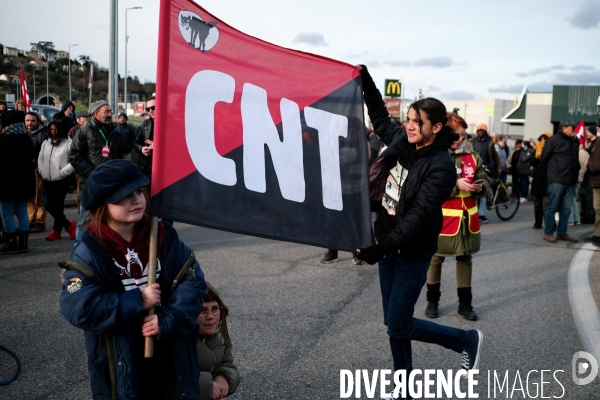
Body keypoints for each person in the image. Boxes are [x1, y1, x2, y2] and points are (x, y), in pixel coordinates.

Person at [354, 65, 483, 387]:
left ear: (436, 127)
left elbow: (418, 216)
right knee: (392, 322)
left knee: (398, 324)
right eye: (409, 119)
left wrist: (381, 248)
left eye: (417, 122)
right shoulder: (403, 141)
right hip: (388, 244)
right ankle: (403, 388)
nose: (409, 126)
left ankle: (465, 340)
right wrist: (365, 79)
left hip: (411, 251)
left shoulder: (440, 167)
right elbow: (381, 116)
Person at [59, 159, 208, 399]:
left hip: (170, 356)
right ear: (102, 204)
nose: (136, 199)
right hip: (120, 362)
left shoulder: (162, 235)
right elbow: (79, 307)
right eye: (123, 196)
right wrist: (137, 301)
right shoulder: (90, 250)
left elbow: (193, 282)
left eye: (139, 191)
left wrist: (168, 319)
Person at [425, 113, 490, 322]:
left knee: (465, 258)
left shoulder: (472, 156)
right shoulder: (434, 155)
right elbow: (428, 186)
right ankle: (432, 302)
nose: (460, 139)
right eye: (456, 135)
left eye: (463, 135)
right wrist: (456, 186)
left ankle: (465, 304)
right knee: (435, 259)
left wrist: (480, 187)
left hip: (466, 220)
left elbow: (485, 178)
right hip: (441, 220)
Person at [69, 100, 123, 244]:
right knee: (85, 220)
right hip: (91, 183)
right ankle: (79, 250)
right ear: (96, 113)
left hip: (112, 184)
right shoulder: (84, 130)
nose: (110, 114)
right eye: (106, 111)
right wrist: (93, 172)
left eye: (110, 111)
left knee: (110, 220)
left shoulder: (115, 131)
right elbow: (74, 156)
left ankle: (105, 250)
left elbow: (119, 155)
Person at [185, 282, 241, 400]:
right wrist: (206, 386)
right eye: (202, 310)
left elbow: (228, 364)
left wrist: (224, 377)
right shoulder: (176, 341)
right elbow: (169, 382)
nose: (210, 316)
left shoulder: (219, 335)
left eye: (214, 308)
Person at [0, 110, 35, 254]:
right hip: (25, 182)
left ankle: (11, 242)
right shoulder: (27, 138)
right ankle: (23, 243)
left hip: (8, 183)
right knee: (22, 212)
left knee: (6, 213)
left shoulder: (5, 140)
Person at [540, 119, 580, 243]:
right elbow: (543, 159)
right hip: (557, 180)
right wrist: (554, 172)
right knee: (552, 207)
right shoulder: (553, 140)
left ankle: (562, 233)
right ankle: (548, 233)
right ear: (564, 128)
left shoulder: (575, 141)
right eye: (572, 127)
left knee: (566, 208)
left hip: (571, 180)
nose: (574, 129)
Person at [37, 120, 77, 241]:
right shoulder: (46, 143)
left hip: (61, 180)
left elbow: (73, 162)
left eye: (56, 129)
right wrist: (42, 171)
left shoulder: (69, 143)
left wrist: (61, 173)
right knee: (48, 204)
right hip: (47, 179)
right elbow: (41, 159)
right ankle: (69, 225)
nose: (54, 132)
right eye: (52, 129)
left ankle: (56, 230)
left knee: (58, 206)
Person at [25, 111, 49, 233]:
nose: (30, 123)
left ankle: (40, 222)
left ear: (38, 122)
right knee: (29, 198)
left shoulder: (42, 135)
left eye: (32, 120)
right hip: (25, 171)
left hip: (37, 171)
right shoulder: (22, 134)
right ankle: (31, 220)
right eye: (27, 120)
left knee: (39, 198)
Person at [472, 124, 500, 224]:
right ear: (477, 132)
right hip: (474, 169)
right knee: (474, 191)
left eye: (483, 131)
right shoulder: (472, 142)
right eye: (479, 131)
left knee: (484, 192)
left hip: (486, 170)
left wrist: (499, 167)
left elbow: (495, 156)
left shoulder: (490, 142)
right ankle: (473, 214)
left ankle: (481, 214)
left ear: (485, 132)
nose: (481, 132)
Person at [530, 134, 551, 229]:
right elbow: (532, 163)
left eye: (545, 139)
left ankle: (548, 225)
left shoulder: (552, 150)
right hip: (537, 180)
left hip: (547, 179)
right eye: (541, 139)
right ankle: (537, 223)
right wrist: (536, 156)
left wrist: (543, 156)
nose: (542, 141)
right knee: (537, 203)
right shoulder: (537, 149)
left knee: (546, 204)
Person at [585, 119, 600, 246]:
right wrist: (591, 165)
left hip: (598, 178)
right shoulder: (597, 142)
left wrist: (593, 166)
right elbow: (590, 159)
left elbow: (594, 163)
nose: (598, 128)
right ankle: (597, 235)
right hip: (596, 181)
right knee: (597, 209)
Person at [568, 144, 590, 225]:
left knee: (570, 198)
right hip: (580, 178)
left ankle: (570, 219)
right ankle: (577, 219)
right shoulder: (585, 153)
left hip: (575, 178)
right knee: (574, 198)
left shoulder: (577, 153)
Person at [134, 97, 156, 178]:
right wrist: (141, 149)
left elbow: (177, 147)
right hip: (146, 168)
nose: (150, 110)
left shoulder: (170, 124)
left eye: (153, 107)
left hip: (164, 168)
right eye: (148, 109)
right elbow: (136, 142)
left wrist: (158, 147)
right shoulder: (145, 124)